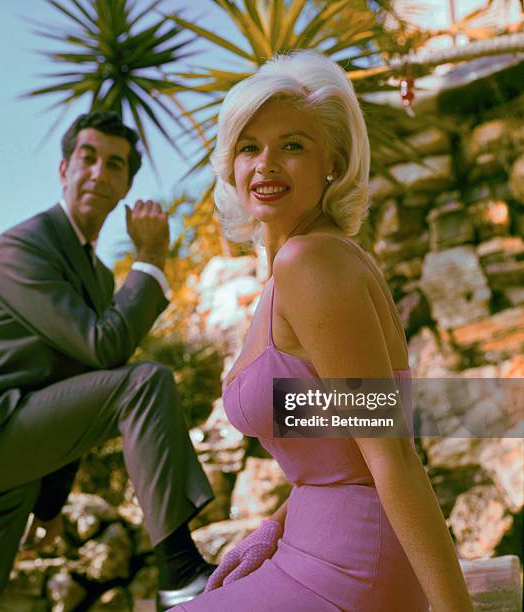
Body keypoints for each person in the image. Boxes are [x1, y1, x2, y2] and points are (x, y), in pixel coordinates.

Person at [169, 52, 474, 611]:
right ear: (230, 166)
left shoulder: (311, 264)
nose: (265, 165)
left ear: (331, 161)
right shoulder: (293, 270)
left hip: (350, 570)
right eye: (248, 147)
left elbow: (393, 458)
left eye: (292, 145)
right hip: (308, 551)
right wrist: (273, 527)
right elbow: (340, 453)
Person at [0, 111, 215, 611]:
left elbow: (81, 387)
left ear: (126, 185)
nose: (100, 172)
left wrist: (51, 504)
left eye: (115, 165)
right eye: (88, 157)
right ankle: (180, 571)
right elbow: (105, 349)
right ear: (64, 170)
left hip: (11, 460)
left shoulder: (98, 278)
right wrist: (151, 259)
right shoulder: (23, 247)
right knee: (144, 382)